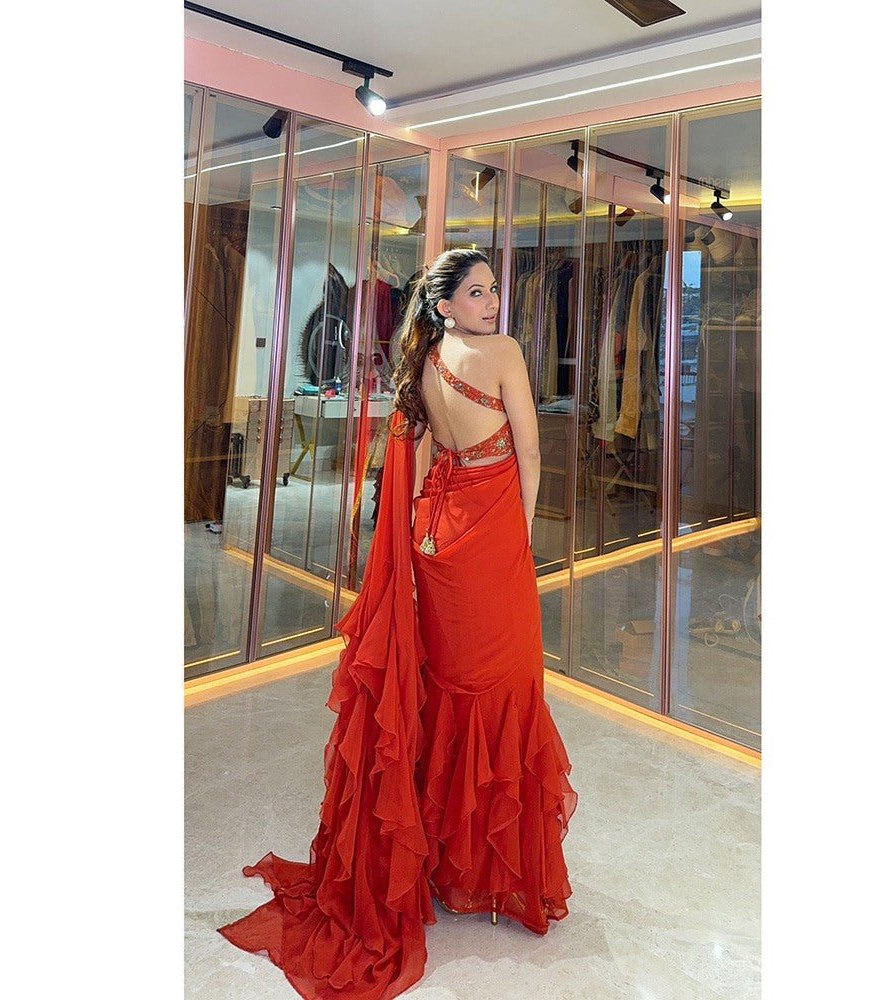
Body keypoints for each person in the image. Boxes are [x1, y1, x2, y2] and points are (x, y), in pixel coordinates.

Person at [219, 249, 577, 1000]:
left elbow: (418, 463)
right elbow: (530, 452)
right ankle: (488, 870)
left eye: (493, 290)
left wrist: (421, 544)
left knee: (449, 691)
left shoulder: (423, 362)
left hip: (435, 539)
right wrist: (520, 537)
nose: (492, 302)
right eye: (476, 292)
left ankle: (446, 864)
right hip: (488, 539)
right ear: (445, 305)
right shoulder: (504, 354)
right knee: (505, 688)